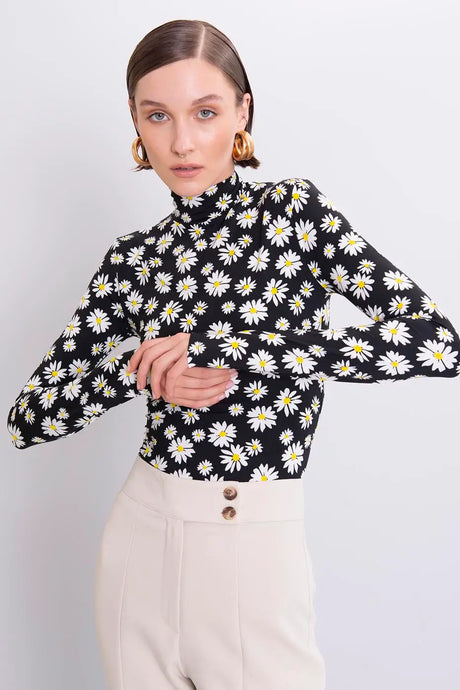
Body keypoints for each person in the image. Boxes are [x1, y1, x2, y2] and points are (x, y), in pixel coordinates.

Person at [6, 18, 460, 690]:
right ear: (135, 121)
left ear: (243, 112)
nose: (181, 142)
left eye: (205, 112)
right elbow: (27, 419)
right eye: (157, 115)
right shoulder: (134, 259)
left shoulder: (294, 215)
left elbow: (435, 342)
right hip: (140, 544)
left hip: (254, 546)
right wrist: (140, 371)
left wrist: (235, 346)